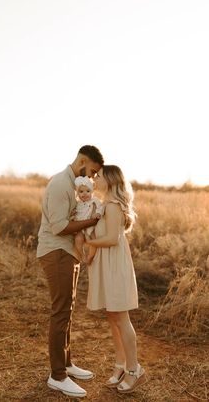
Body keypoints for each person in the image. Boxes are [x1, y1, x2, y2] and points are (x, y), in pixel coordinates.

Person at [36, 145, 104, 398]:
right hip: (56, 252)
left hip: (68, 253)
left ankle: (66, 363)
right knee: (60, 311)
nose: (94, 178)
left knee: (68, 311)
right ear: (83, 161)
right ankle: (57, 376)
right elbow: (59, 226)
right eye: (93, 171)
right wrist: (92, 221)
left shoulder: (74, 185)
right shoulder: (59, 185)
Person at [85, 165, 146, 394]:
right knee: (112, 317)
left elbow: (111, 239)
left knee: (121, 317)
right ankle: (120, 365)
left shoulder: (112, 206)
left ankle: (134, 369)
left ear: (109, 180)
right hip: (107, 264)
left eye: (98, 176)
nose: (94, 179)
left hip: (114, 265)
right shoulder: (104, 205)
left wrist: (89, 243)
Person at [73, 175, 103, 264]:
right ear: (77, 193)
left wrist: (98, 213)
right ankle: (82, 255)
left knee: (93, 240)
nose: (84, 193)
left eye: (88, 191)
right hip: (80, 226)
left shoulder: (95, 201)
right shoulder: (77, 203)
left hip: (91, 226)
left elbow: (100, 207)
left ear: (92, 191)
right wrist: (73, 214)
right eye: (81, 191)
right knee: (78, 239)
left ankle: (90, 256)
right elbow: (76, 213)